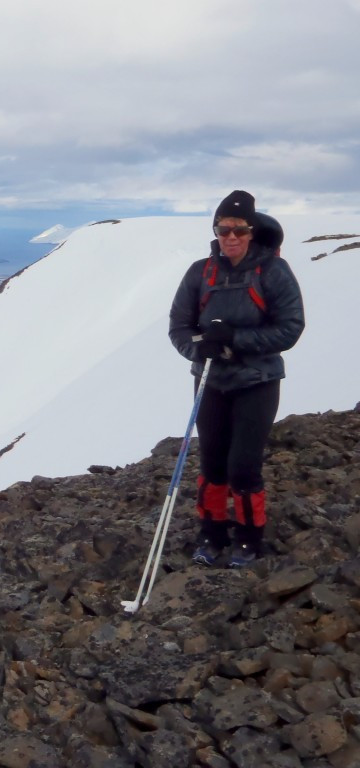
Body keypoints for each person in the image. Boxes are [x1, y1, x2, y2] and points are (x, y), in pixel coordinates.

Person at [169, 190, 305, 567]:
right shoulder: (201, 272)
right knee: (212, 462)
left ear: (251, 231)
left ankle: (247, 538)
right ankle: (211, 534)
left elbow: (290, 329)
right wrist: (200, 349)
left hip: (257, 381)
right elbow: (179, 327)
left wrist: (235, 340)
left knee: (243, 464)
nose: (230, 237)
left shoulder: (273, 272)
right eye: (223, 229)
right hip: (210, 380)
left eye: (239, 230)